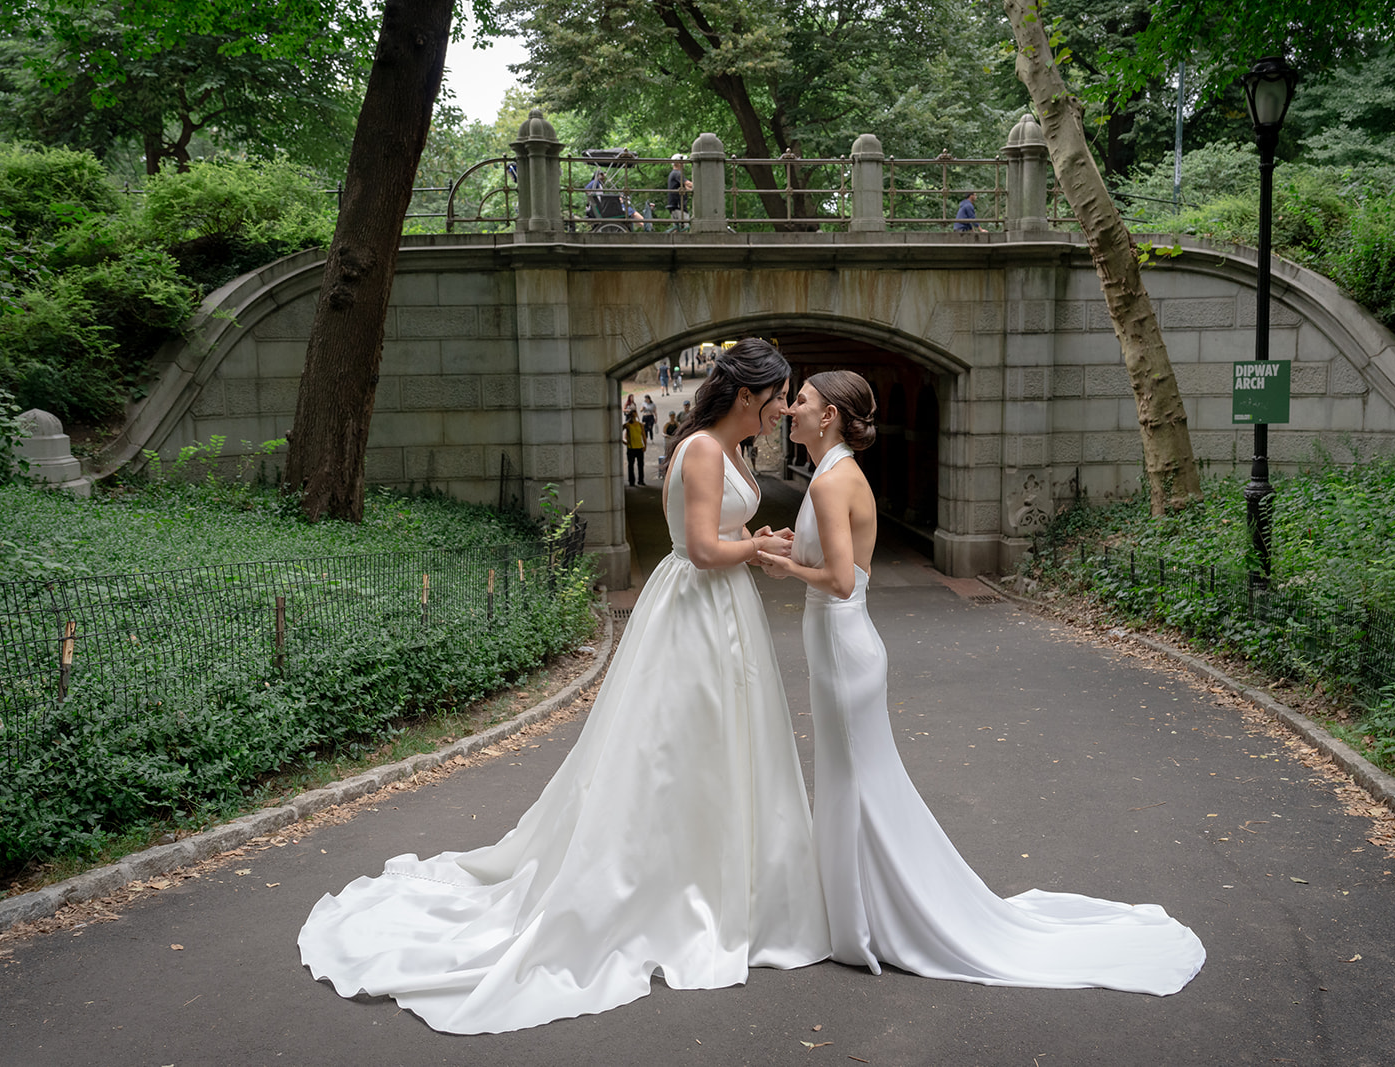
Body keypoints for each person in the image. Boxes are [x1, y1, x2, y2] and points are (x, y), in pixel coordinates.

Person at [298, 340, 828, 1034]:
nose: (785, 408)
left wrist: (757, 537)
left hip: (728, 611)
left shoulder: (729, 450)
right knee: (676, 748)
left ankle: (725, 881)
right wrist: (753, 548)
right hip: (695, 610)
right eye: (780, 395)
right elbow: (699, 548)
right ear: (748, 393)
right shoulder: (700, 448)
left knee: (724, 748)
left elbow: (722, 531)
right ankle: (669, 888)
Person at [758, 370, 1206, 996]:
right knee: (848, 780)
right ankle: (855, 914)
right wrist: (782, 549)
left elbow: (839, 580)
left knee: (856, 779)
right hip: (836, 644)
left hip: (842, 642)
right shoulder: (829, 477)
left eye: (800, 401)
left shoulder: (834, 482)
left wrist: (783, 567)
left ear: (829, 415)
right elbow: (836, 564)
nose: (790, 410)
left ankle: (871, 920)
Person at [666, 154, 693, 230]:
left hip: (675, 205)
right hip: (678, 206)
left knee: (678, 228)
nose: (683, 163)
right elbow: (688, 184)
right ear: (678, 163)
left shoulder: (674, 174)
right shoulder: (677, 173)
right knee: (685, 227)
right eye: (682, 161)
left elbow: (687, 187)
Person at [622, 408, 647, 485]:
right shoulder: (627, 425)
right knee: (631, 466)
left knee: (640, 465)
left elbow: (643, 435)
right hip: (631, 448)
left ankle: (641, 480)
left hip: (639, 447)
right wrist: (624, 441)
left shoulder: (640, 425)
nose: (634, 416)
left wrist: (645, 445)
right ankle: (631, 481)